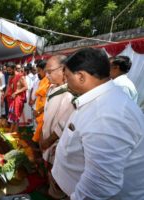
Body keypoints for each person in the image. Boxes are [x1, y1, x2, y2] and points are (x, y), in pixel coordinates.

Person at [52, 48, 144, 200]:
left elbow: (102, 182)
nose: (65, 82)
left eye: (67, 76)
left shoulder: (108, 114)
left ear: (81, 76)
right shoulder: (102, 99)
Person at [39, 55, 74, 199]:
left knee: (58, 174)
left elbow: (64, 123)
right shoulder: (53, 88)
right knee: (50, 170)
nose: (47, 76)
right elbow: (47, 116)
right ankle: (50, 189)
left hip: (56, 142)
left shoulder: (69, 93)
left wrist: (48, 140)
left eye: (50, 72)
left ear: (63, 69)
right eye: (46, 72)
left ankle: (55, 194)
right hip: (46, 138)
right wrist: (42, 135)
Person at [5, 62, 28, 133]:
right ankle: (11, 132)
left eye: (9, 70)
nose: (8, 72)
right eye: (7, 70)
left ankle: (14, 133)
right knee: (12, 117)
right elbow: (8, 88)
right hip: (11, 99)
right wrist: (4, 97)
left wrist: (16, 92)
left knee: (16, 117)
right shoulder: (10, 77)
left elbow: (26, 87)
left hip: (18, 99)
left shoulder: (20, 76)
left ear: (14, 69)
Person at [31, 60, 50, 142]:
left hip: (43, 111)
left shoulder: (49, 81)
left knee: (41, 134)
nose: (37, 73)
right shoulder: (42, 81)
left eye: (39, 71)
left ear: (44, 70)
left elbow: (48, 100)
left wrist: (38, 111)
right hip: (39, 110)